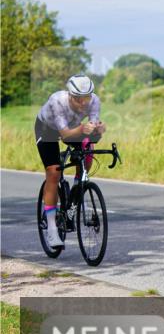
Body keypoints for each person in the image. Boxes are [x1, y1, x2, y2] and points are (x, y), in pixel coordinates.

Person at [35, 74, 106, 248]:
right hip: (48, 130)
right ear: (70, 95)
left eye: (86, 98)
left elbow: (92, 131)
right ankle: (52, 229)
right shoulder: (57, 101)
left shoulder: (94, 101)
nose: (83, 103)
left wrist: (99, 129)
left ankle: (77, 188)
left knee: (88, 149)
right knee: (54, 173)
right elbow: (65, 134)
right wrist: (83, 128)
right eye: (78, 99)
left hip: (74, 128)